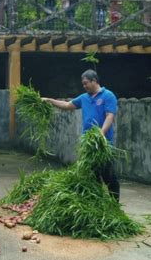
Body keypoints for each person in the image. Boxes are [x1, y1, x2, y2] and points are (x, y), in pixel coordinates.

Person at [42, 69, 120, 202]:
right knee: (92, 176)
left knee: (109, 175)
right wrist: (49, 100)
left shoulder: (108, 95)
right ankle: (98, 204)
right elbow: (67, 105)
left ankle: (114, 204)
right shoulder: (84, 98)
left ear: (94, 81)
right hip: (88, 144)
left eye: (86, 83)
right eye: (83, 84)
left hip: (104, 144)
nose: (84, 86)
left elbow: (110, 116)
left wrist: (101, 133)